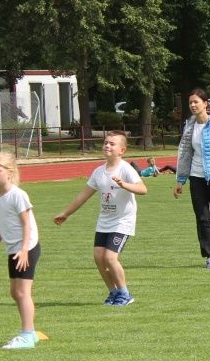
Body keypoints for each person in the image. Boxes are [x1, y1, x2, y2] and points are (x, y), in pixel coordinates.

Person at [54, 131, 148, 306]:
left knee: (111, 258)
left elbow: (143, 189)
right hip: (104, 221)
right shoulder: (98, 171)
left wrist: (124, 184)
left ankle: (125, 294)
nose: (107, 146)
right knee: (99, 257)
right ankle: (113, 292)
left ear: (122, 150)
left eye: (112, 144)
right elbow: (84, 195)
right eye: (106, 143)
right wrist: (65, 213)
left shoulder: (125, 168)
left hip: (122, 221)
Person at [0, 152, 41, 348]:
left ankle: (25, 335)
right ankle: (30, 333)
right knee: (15, 293)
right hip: (14, 249)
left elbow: (27, 225)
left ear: (9, 173)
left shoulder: (18, 195)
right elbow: (3, 226)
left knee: (22, 293)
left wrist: (24, 250)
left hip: (27, 248)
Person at [174, 88, 210, 268]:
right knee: (202, 217)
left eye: (196, 102)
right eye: (190, 102)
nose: (192, 105)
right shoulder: (189, 126)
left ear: (205, 104)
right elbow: (185, 153)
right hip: (196, 177)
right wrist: (181, 179)